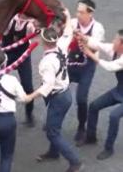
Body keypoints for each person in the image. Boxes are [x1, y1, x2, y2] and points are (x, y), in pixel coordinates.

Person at [25, 10, 84, 172]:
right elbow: (68, 31)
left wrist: (31, 96)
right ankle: (53, 152)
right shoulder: (62, 45)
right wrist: (68, 14)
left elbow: (48, 85)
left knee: (52, 131)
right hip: (64, 93)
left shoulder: (46, 63)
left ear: (43, 42)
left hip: (57, 96)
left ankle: (75, 161)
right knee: (53, 126)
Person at [77, 29, 123, 160]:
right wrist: (83, 37)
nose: (113, 41)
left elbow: (110, 67)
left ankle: (109, 148)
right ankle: (91, 137)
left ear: (122, 45)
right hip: (119, 90)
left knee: (114, 116)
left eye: (116, 40)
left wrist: (90, 54)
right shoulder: (114, 49)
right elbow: (98, 44)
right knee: (94, 106)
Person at [67, 0, 105, 146]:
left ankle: (81, 126)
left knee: (81, 98)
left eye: (81, 12)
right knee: (55, 90)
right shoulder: (72, 23)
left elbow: (96, 47)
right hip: (70, 63)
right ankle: (54, 119)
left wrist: (83, 38)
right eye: (77, 11)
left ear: (90, 13)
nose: (78, 14)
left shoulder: (98, 28)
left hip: (86, 67)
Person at [2, 14, 36, 127]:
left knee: (28, 87)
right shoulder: (10, 20)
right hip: (7, 54)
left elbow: (35, 35)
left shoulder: (30, 24)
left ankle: (29, 114)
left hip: (23, 55)